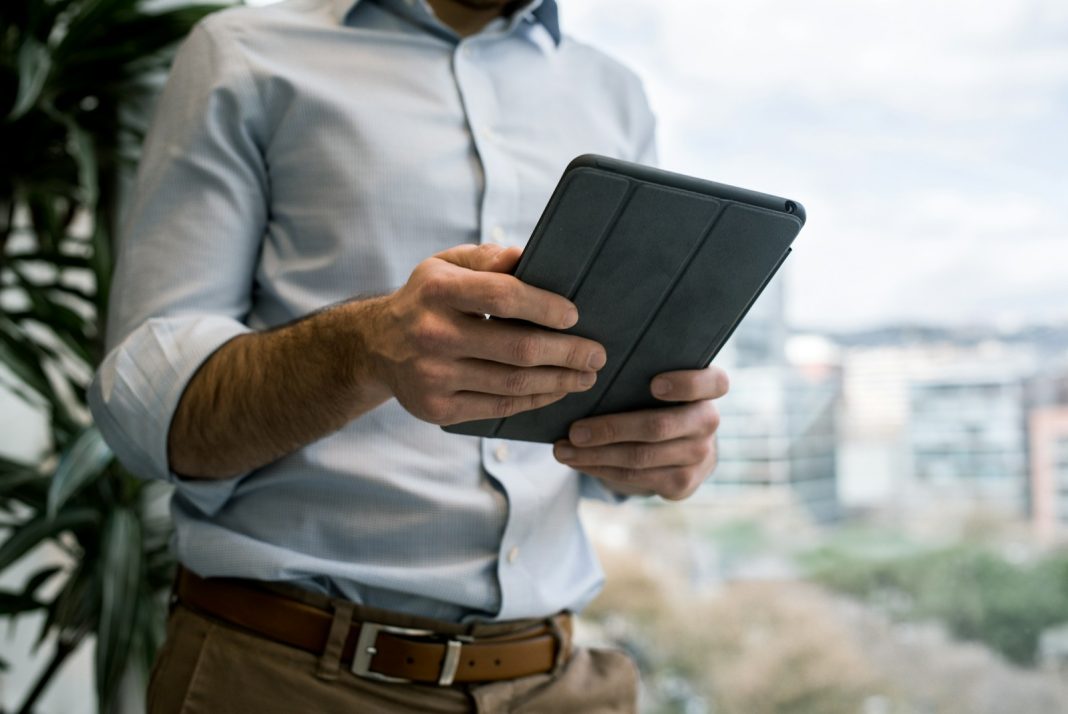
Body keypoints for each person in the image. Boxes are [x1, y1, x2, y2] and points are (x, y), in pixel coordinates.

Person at [88, 0, 729, 711]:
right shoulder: (243, 52)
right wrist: (366, 349)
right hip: (288, 679)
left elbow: (612, 405)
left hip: (563, 682)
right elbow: (152, 416)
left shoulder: (615, 94)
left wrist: (665, 446)